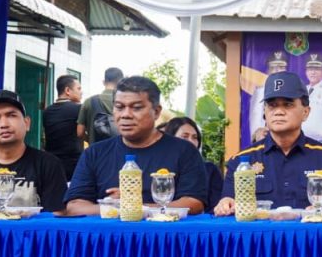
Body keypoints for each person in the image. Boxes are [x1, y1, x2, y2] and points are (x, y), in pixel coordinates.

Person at [64, 76, 207, 215]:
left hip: (163, 230)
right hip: (108, 231)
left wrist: (134, 205)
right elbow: (75, 206)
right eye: (119, 107)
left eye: (137, 108)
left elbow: (193, 203)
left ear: (156, 112)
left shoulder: (184, 151)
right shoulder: (95, 153)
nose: (126, 115)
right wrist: (116, 209)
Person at [215, 72, 322, 213]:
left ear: (306, 112)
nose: (278, 112)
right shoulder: (241, 162)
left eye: (288, 105)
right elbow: (228, 203)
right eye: (272, 105)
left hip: (310, 227)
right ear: (264, 113)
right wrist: (226, 204)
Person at [161, 116, 223, 213]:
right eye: (185, 136)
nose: (191, 141)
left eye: (195, 137)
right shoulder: (160, 169)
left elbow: (216, 207)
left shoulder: (210, 169)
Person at [42, 74, 83, 180]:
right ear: (67, 90)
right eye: (78, 88)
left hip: (51, 164)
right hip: (73, 165)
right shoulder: (78, 109)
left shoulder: (47, 112)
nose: (81, 92)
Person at [76, 67, 123, 145]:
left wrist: (90, 140)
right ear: (121, 83)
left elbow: (80, 132)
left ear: (104, 82)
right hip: (119, 149)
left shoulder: (89, 101)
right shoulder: (125, 102)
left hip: (95, 150)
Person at [250, 51, 289, 142]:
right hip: (267, 137)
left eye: (281, 67)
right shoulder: (260, 91)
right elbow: (256, 116)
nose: (277, 70)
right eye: (273, 68)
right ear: (268, 71)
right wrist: (257, 134)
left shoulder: (294, 90)